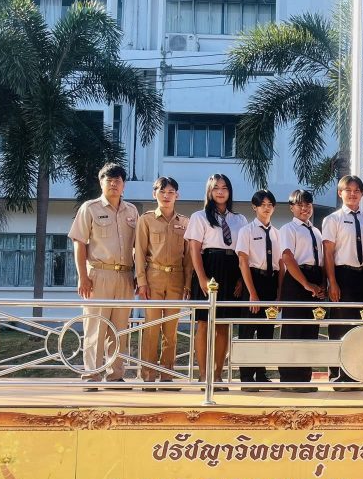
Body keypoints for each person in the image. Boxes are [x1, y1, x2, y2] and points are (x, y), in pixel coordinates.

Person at [68, 162, 138, 390]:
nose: (114, 184)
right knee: (95, 327)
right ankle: (91, 375)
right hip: (98, 274)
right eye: (109, 180)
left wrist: (139, 275)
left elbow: (137, 246)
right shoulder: (90, 208)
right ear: (101, 183)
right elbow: (79, 242)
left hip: (125, 276)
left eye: (118, 180)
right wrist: (82, 276)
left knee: (120, 329)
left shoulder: (132, 211)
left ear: (124, 185)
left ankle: (115, 375)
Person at [185, 173, 247, 390]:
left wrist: (241, 279)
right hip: (209, 266)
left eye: (224, 188)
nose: (220, 192)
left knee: (223, 324)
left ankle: (218, 375)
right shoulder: (199, 217)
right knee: (204, 323)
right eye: (216, 188)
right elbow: (194, 250)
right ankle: (204, 375)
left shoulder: (239, 219)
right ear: (209, 191)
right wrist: (202, 278)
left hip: (232, 269)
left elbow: (243, 251)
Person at [135, 176, 191, 391]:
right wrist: (142, 282)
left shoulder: (185, 222)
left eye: (171, 192)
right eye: (162, 192)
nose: (166, 196)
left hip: (176, 278)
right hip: (153, 277)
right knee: (151, 328)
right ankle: (148, 375)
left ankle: (167, 374)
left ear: (177, 195)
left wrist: (187, 283)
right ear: (154, 194)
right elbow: (139, 253)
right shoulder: (146, 220)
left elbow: (188, 257)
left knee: (171, 329)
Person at [321, 174, 363, 391]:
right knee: (340, 326)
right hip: (343, 275)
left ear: (362, 194)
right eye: (348, 190)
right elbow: (328, 253)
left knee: (360, 327)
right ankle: (338, 375)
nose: (352, 194)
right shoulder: (333, 219)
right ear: (340, 193)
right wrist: (332, 282)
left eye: (357, 190)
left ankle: (356, 374)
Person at [277, 189, 326, 392]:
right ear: (292, 208)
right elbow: (287, 257)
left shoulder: (317, 232)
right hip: (297, 280)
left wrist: (322, 284)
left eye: (308, 204)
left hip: (315, 278)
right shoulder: (288, 229)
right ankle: (289, 379)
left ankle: (304, 377)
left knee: (310, 330)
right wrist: (305, 284)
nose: (304, 208)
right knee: (293, 330)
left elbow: (321, 260)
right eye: (299, 205)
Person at [236, 189, 281, 389]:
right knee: (248, 331)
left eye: (270, 204)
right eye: (262, 204)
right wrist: (252, 293)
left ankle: (261, 373)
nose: (266, 208)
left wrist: (279, 293)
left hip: (271, 281)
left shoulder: (277, 233)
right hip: (253, 281)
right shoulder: (246, 231)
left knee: (266, 330)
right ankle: (246, 376)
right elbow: (243, 262)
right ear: (254, 207)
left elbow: (281, 264)